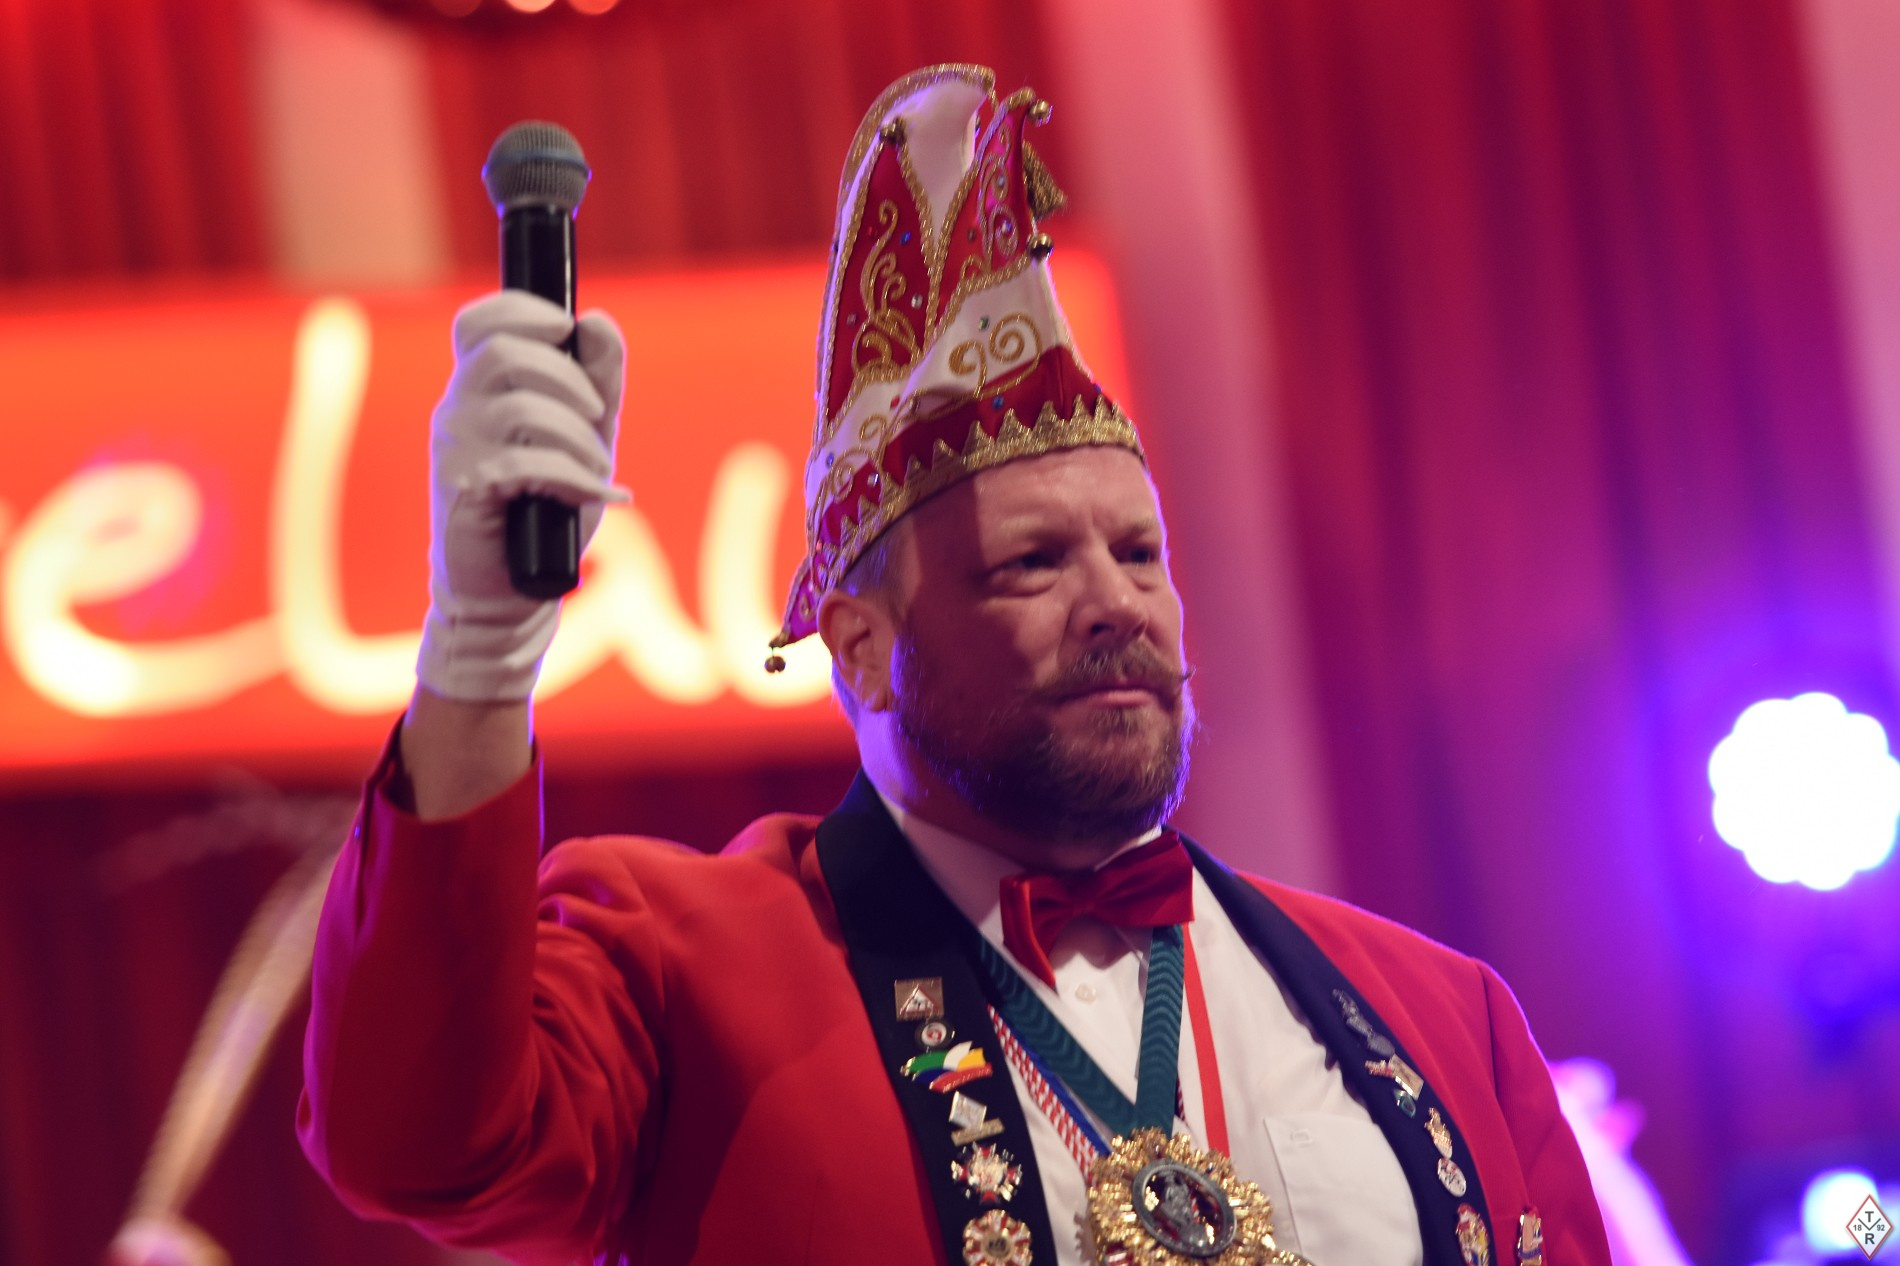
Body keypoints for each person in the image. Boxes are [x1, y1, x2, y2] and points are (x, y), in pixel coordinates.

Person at [298, 64, 1609, 1266]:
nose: (1115, 604)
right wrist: (481, 643)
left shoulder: (1446, 1014)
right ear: (861, 650)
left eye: (1140, 552)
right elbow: (417, 1141)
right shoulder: (681, 969)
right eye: (1030, 564)